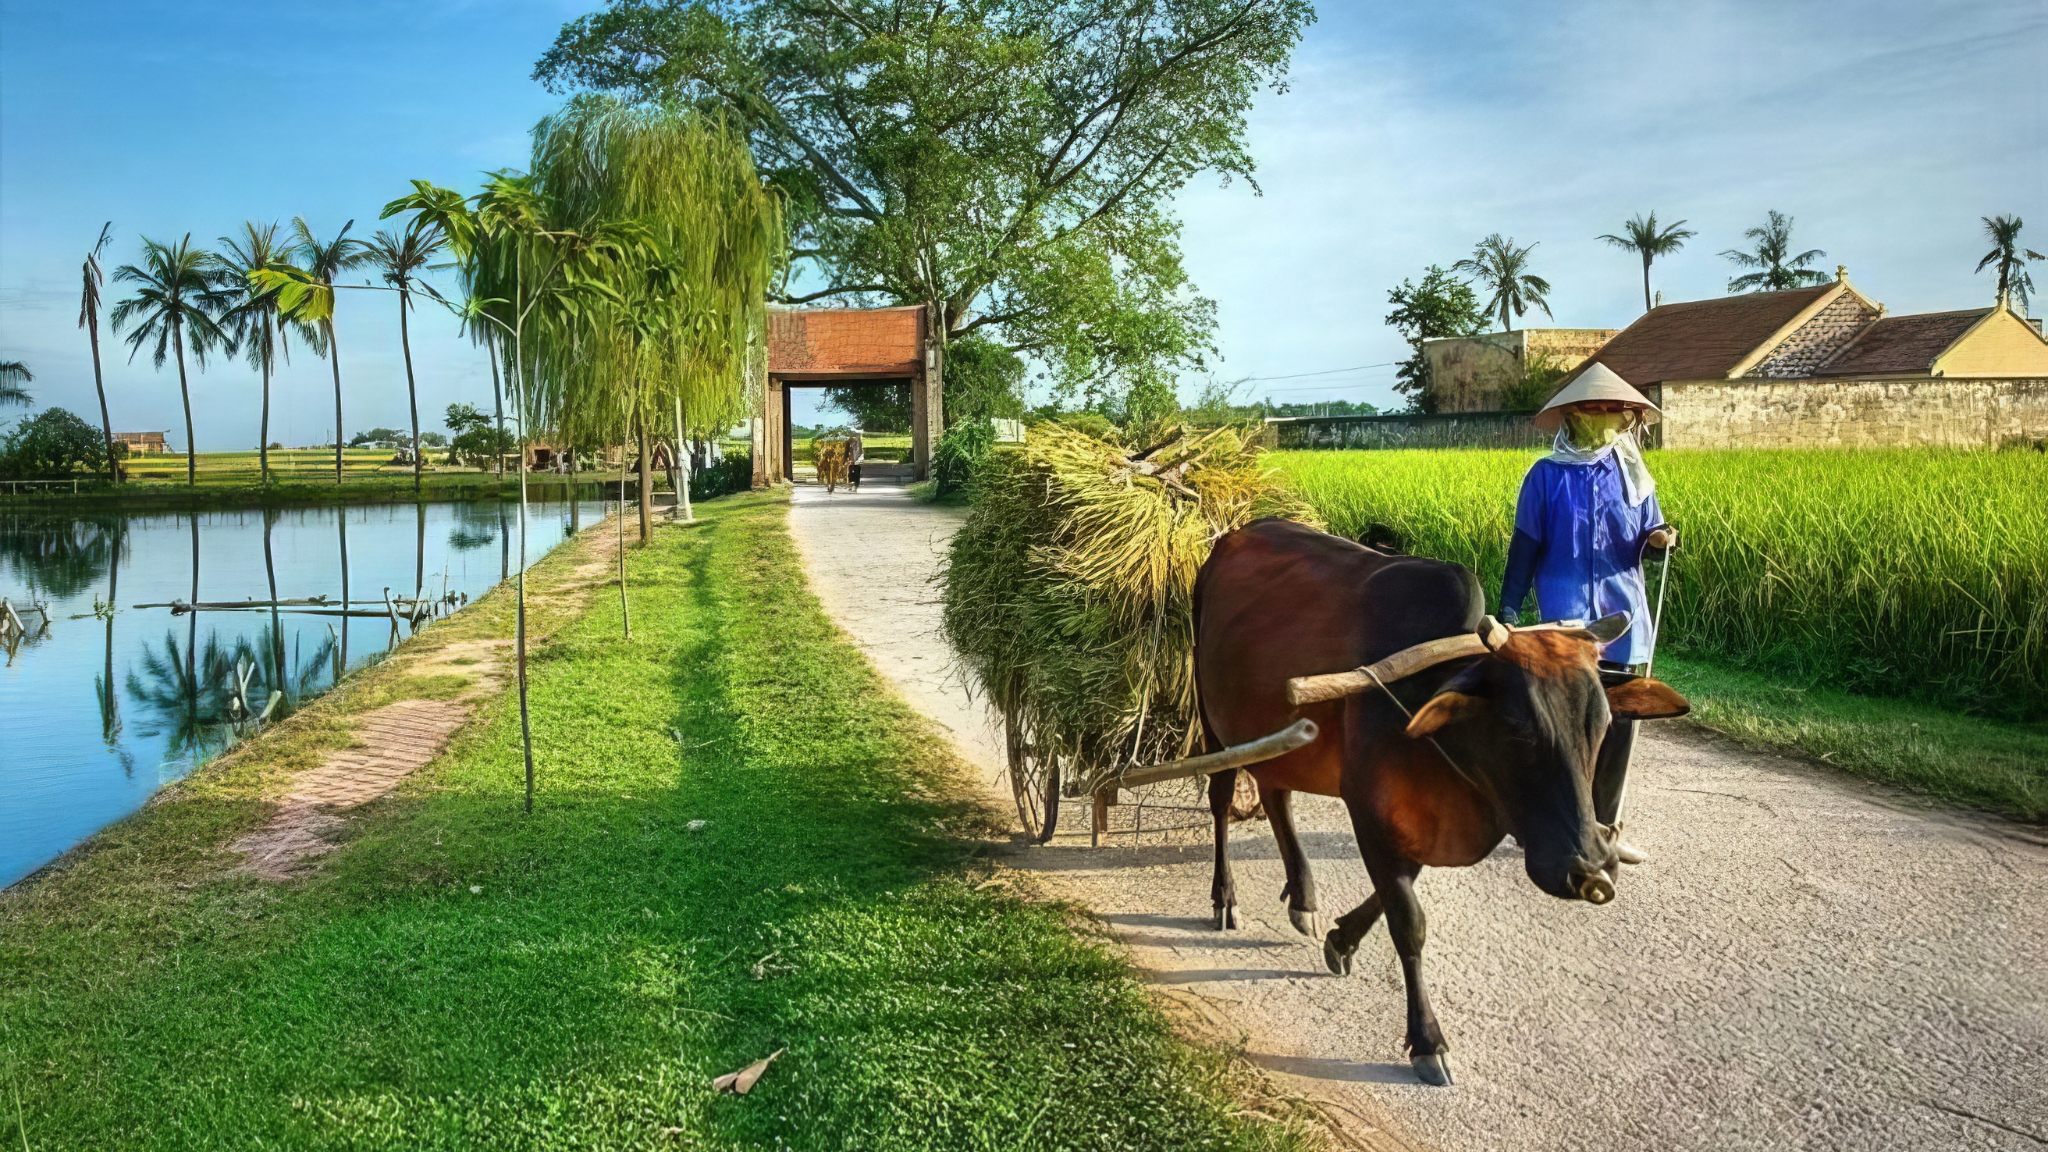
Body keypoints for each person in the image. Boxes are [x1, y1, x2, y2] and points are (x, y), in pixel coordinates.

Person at [1499, 362, 1677, 865]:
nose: (1602, 416)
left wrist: (1660, 539)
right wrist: (1509, 608)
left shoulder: (1633, 476)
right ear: (1571, 416)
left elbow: (1650, 529)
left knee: (1620, 725)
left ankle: (1607, 826)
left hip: (1625, 617)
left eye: (1610, 410)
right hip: (1567, 618)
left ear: (1624, 418)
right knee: (1570, 728)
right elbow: (1525, 546)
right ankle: (1554, 820)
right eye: (1591, 409)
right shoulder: (1545, 477)